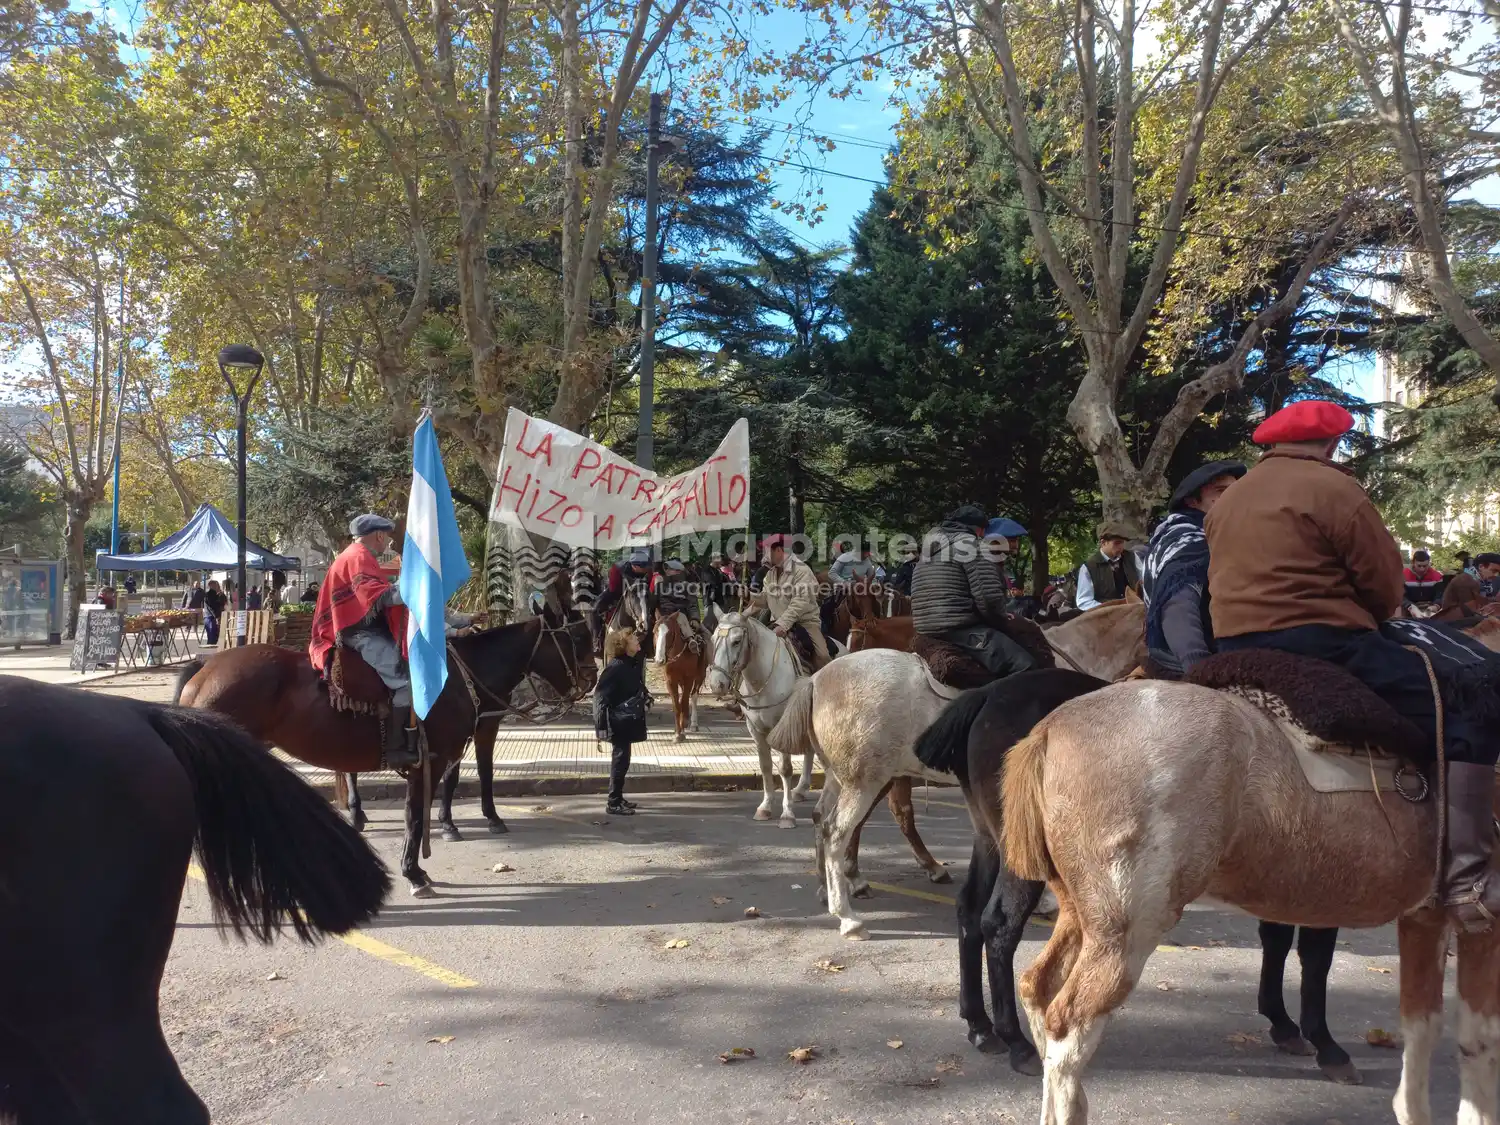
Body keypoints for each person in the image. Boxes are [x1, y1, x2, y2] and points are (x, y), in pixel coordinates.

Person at [1205, 398, 1500, 932]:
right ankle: (1468, 881)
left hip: (1233, 646)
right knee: (1469, 700)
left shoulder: (1231, 497)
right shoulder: (1335, 488)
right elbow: (1384, 585)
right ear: (1334, 443)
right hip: (1324, 643)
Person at [308, 513, 421, 768]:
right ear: (379, 535)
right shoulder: (359, 557)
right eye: (387, 538)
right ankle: (396, 749)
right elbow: (380, 598)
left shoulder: (352, 554)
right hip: (360, 635)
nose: (387, 544)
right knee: (406, 682)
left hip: (359, 630)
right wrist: (415, 585)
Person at [1141, 460, 1246, 678]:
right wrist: (1199, 670)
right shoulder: (1188, 541)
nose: (1232, 497)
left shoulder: (1206, 536)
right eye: (1221, 491)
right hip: (1187, 665)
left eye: (1236, 490)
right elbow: (1178, 608)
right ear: (1192, 501)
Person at [912, 504, 1034, 679]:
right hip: (960, 629)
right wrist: (1001, 618)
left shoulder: (928, 551)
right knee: (1026, 667)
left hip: (926, 628)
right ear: (979, 529)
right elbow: (989, 598)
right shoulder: (973, 547)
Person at [750, 535, 830, 668]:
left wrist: (783, 624)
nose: (764, 557)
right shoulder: (770, 574)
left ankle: (826, 686)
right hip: (776, 623)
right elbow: (765, 599)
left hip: (805, 623)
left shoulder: (802, 571)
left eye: (766, 552)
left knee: (823, 655)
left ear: (779, 550)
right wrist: (747, 595)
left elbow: (800, 602)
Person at [593, 625, 649, 816]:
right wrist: (600, 730)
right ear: (624, 645)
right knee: (620, 760)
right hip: (617, 723)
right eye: (632, 638)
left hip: (626, 722)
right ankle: (613, 802)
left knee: (623, 760)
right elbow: (599, 698)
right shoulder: (615, 667)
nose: (637, 640)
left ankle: (618, 797)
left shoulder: (632, 663)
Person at [1075, 527, 1139, 610]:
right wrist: (1110, 608)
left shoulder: (1132, 558)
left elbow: (1144, 584)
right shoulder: (1089, 567)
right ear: (1103, 543)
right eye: (1117, 543)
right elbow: (1084, 601)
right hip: (1106, 618)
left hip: (1134, 612)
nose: (1121, 547)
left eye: (1122, 543)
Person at [594, 548, 654, 636]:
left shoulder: (647, 570)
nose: (647, 569)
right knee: (595, 607)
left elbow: (649, 584)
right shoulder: (617, 569)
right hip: (618, 592)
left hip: (640, 593)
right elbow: (613, 589)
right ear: (635, 566)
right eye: (644, 567)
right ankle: (597, 638)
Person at [202, 580, 227, 646]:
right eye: (216, 585)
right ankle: (211, 652)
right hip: (211, 617)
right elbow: (212, 607)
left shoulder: (211, 594)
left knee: (211, 637)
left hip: (208, 616)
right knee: (212, 638)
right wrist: (216, 616)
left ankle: (211, 650)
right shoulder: (211, 594)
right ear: (212, 586)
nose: (217, 586)